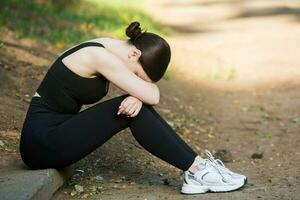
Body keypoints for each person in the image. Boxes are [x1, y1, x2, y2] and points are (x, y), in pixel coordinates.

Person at [19, 21, 247, 194]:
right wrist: (140, 95)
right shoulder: (98, 56)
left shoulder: (108, 45)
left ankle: (198, 167)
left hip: (59, 129)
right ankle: (198, 171)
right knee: (130, 110)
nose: (136, 79)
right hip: (41, 143)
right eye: (138, 74)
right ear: (135, 53)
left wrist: (138, 95)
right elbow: (153, 96)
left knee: (135, 105)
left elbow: (151, 92)